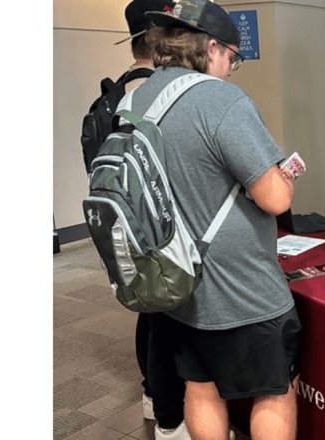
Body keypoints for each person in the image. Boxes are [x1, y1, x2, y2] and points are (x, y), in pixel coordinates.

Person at [132, 1, 302, 439]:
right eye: (231, 57)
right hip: (241, 287)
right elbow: (275, 198)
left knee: (201, 385)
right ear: (211, 48)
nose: (230, 68)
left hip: (177, 279)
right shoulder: (220, 99)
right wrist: (282, 178)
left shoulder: (141, 97)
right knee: (274, 388)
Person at [116, 2, 191, 440]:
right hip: (167, 235)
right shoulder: (160, 94)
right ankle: (169, 418)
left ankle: (155, 401)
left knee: (152, 319)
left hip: (134, 227)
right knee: (169, 327)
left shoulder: (122, 94)